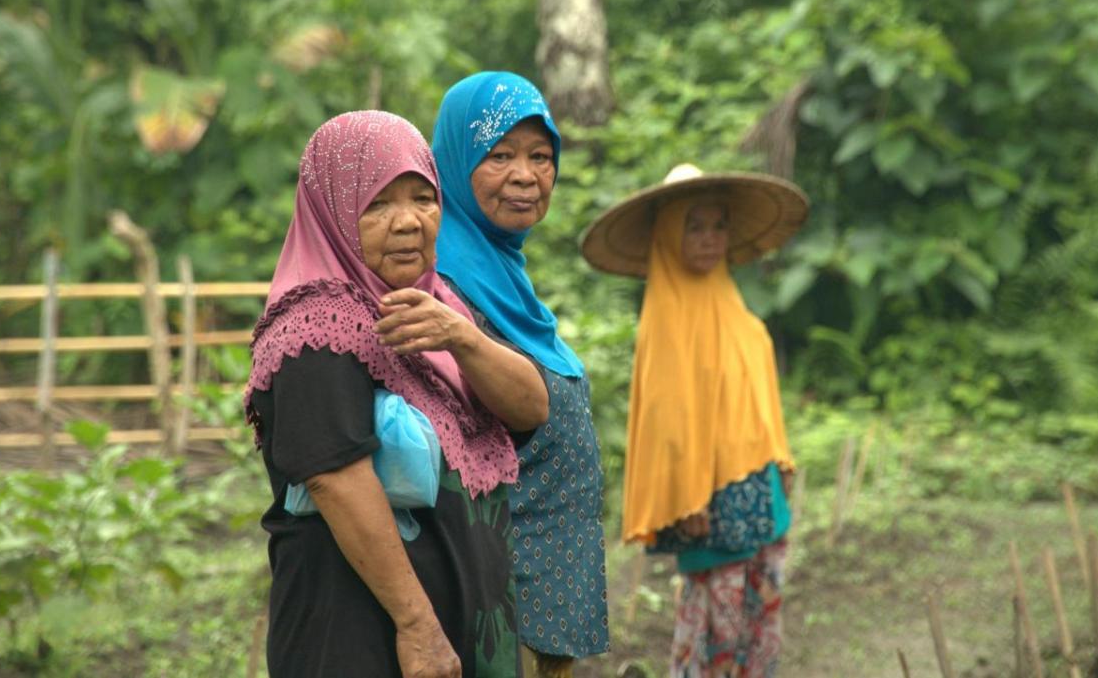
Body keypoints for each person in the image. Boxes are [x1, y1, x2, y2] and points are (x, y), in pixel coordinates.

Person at [244, 110, 549, 678]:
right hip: (364, 638)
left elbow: (531, 408)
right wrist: (418, 628)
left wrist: (462, 338)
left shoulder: (436, 304)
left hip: (453, 631)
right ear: (331, 212)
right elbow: (333, 477)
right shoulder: (317, 327)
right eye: (378, 204)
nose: (409, 222)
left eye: (422, 198)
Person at [580, 163, 809, 678]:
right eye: (694, 226)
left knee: (761, 627)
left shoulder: (736, 310)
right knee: (714, 631)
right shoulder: (667, 321)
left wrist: (781, 461)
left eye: (718, 225)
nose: (710, 239)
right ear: (668, 233)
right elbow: (669, 416)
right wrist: (687, 496)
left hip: (763, 496)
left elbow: (755, 398)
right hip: (709, 508)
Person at [430, 72, 609, 677]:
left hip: (547, 596)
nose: (527, 176)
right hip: (499, 597)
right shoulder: (442, 283)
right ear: (456, 160)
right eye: (499, 155)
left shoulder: (506, 277)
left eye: (540, 155)